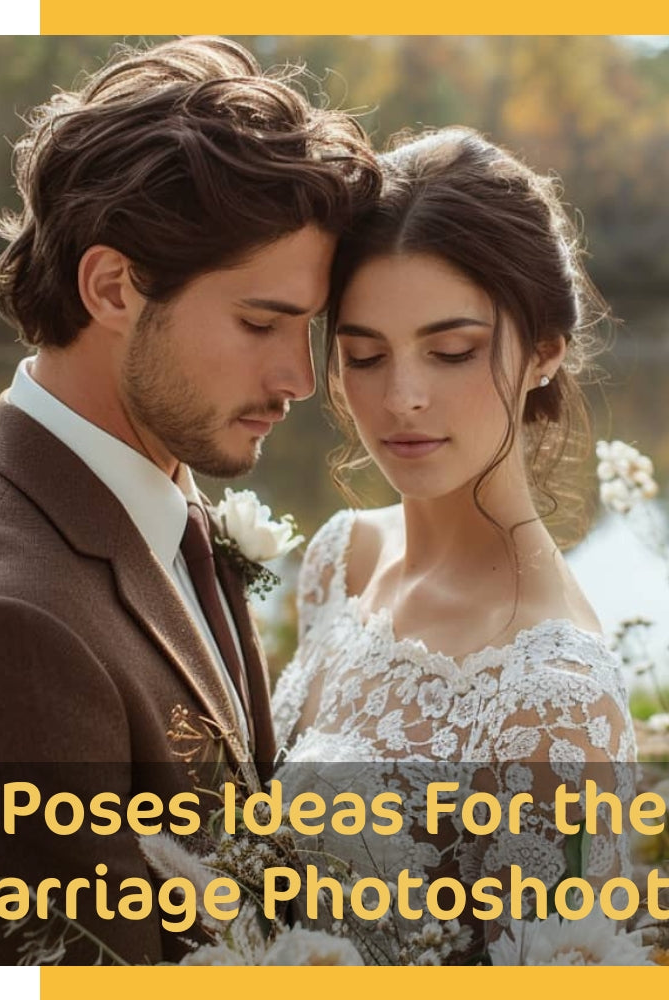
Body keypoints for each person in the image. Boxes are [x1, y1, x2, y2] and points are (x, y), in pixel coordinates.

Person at [0, 37, 380, 965]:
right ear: (112, 287)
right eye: (261, 322)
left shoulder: (161, 504)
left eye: (307, 329)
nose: (300, 378)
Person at [270, 127, 638, 946]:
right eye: (365, 356)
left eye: (451, 351)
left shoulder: (556, 696)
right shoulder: (342, 559)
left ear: (543, 351)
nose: (403, 398)